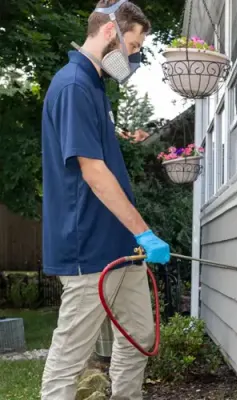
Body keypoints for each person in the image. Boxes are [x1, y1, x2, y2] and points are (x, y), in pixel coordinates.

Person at [40, 1, 170, 399]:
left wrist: (136, 239)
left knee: (137, 337)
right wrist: (146, 233)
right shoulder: (73, 85)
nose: (132, 56)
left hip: (121, 246)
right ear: (111, 32)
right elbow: (93, 172)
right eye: (132, 45)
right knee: (70, 356)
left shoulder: (94, 86)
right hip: (88, 248)